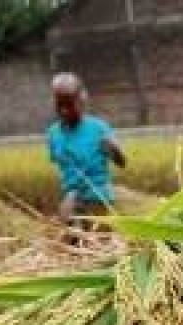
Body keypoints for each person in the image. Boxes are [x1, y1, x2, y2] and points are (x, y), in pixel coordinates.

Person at [46, 73, 126, 233]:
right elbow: (63, 168)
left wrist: (114, 150)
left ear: (81, 100)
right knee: (70, 242)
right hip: (72, 199)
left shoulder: (98, 128)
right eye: (59, 105)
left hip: (98, 198)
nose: (64, 111)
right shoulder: (53, 133)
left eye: (69, 105)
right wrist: (71, 193)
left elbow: (122, 162)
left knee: (100, 242)